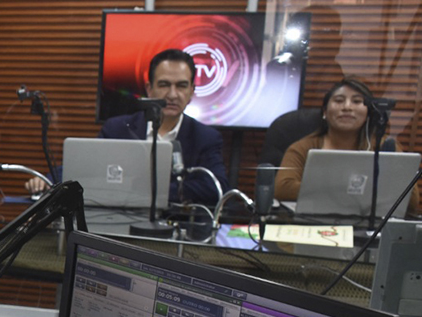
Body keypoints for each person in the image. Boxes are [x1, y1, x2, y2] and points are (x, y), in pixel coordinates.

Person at [27, 48, 228, 207]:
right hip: (117, 223)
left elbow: (216, 187)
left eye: (182, 86)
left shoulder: (206, 137)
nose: (173, 94)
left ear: (192, 91)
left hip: (178, 229)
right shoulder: (117, 128)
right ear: (150, 89)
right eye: (164, 84)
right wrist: (49, 180)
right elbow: (86, 167)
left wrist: (146, 190)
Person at [274, 77, 418, 212]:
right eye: (339, 100)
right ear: (324, 112)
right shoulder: (303, 147)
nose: (347, 107)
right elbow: (282, 188)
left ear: (368, 112)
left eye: (356, 101)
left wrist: (325, 190)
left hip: (371, 229)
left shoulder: (386, 146)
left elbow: (411, 201)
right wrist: (354, 190)